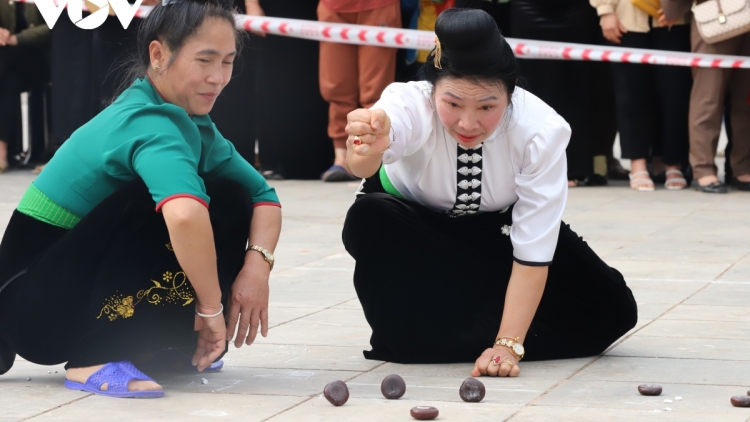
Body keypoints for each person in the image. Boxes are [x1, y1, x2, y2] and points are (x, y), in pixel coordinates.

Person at [0, 0, 282, 398]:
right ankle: (94, 356)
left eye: (227, 62)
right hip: (31, 309)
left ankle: (155, 343)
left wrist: (257, 269)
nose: (217, 77)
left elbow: (263, 196)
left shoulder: (191, 122)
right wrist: (211, 309)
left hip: (57, 295)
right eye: (205, 60)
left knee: (230, 200)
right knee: (170, 203)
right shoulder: (149, 123)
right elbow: (184, 217)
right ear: (158, 54)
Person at [342, 9, 637, 377]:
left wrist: (507, 346)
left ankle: (466, 330)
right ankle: (456, 328)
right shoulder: (408, 103)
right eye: (452, 104)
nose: (468, 123)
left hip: (499, 234)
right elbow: (364, 164)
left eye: (487, 107)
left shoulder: (540, 130)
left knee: (613, 312)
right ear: (433, 90)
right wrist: (367, 145)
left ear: (511, 96)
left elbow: (533, 249)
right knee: (369, 216)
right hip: (417, 235)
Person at [510, 0, 617, 187]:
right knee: (532, 86)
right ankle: (530, 166)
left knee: (577, 86)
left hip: (578, 10)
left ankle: (574, 166)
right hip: (526, 7)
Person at [591, 0, 693, 191]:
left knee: (675, 92)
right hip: (625, 17)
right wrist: (605, 10)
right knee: (630, 94)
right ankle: (637, 164)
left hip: (674, 16)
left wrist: (680, 6)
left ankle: (672, 163)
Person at [318, 0, 401, 182]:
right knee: (336, 87)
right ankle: (341, 159)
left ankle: (373, 161)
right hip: (333, 7)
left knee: (375, 92)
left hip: (379, 6)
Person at [684, 1, 750, 193]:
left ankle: (743, 167)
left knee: (746, 100)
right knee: (708, 96)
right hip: (716, 12)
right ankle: (703, 168)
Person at [0, 0, 50, 172]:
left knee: (5, 61)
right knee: (11, 80)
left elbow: (54, 26)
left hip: (41, 57)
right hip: (10, 63)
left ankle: (1, 151)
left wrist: (17, 39)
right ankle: (2, 150)